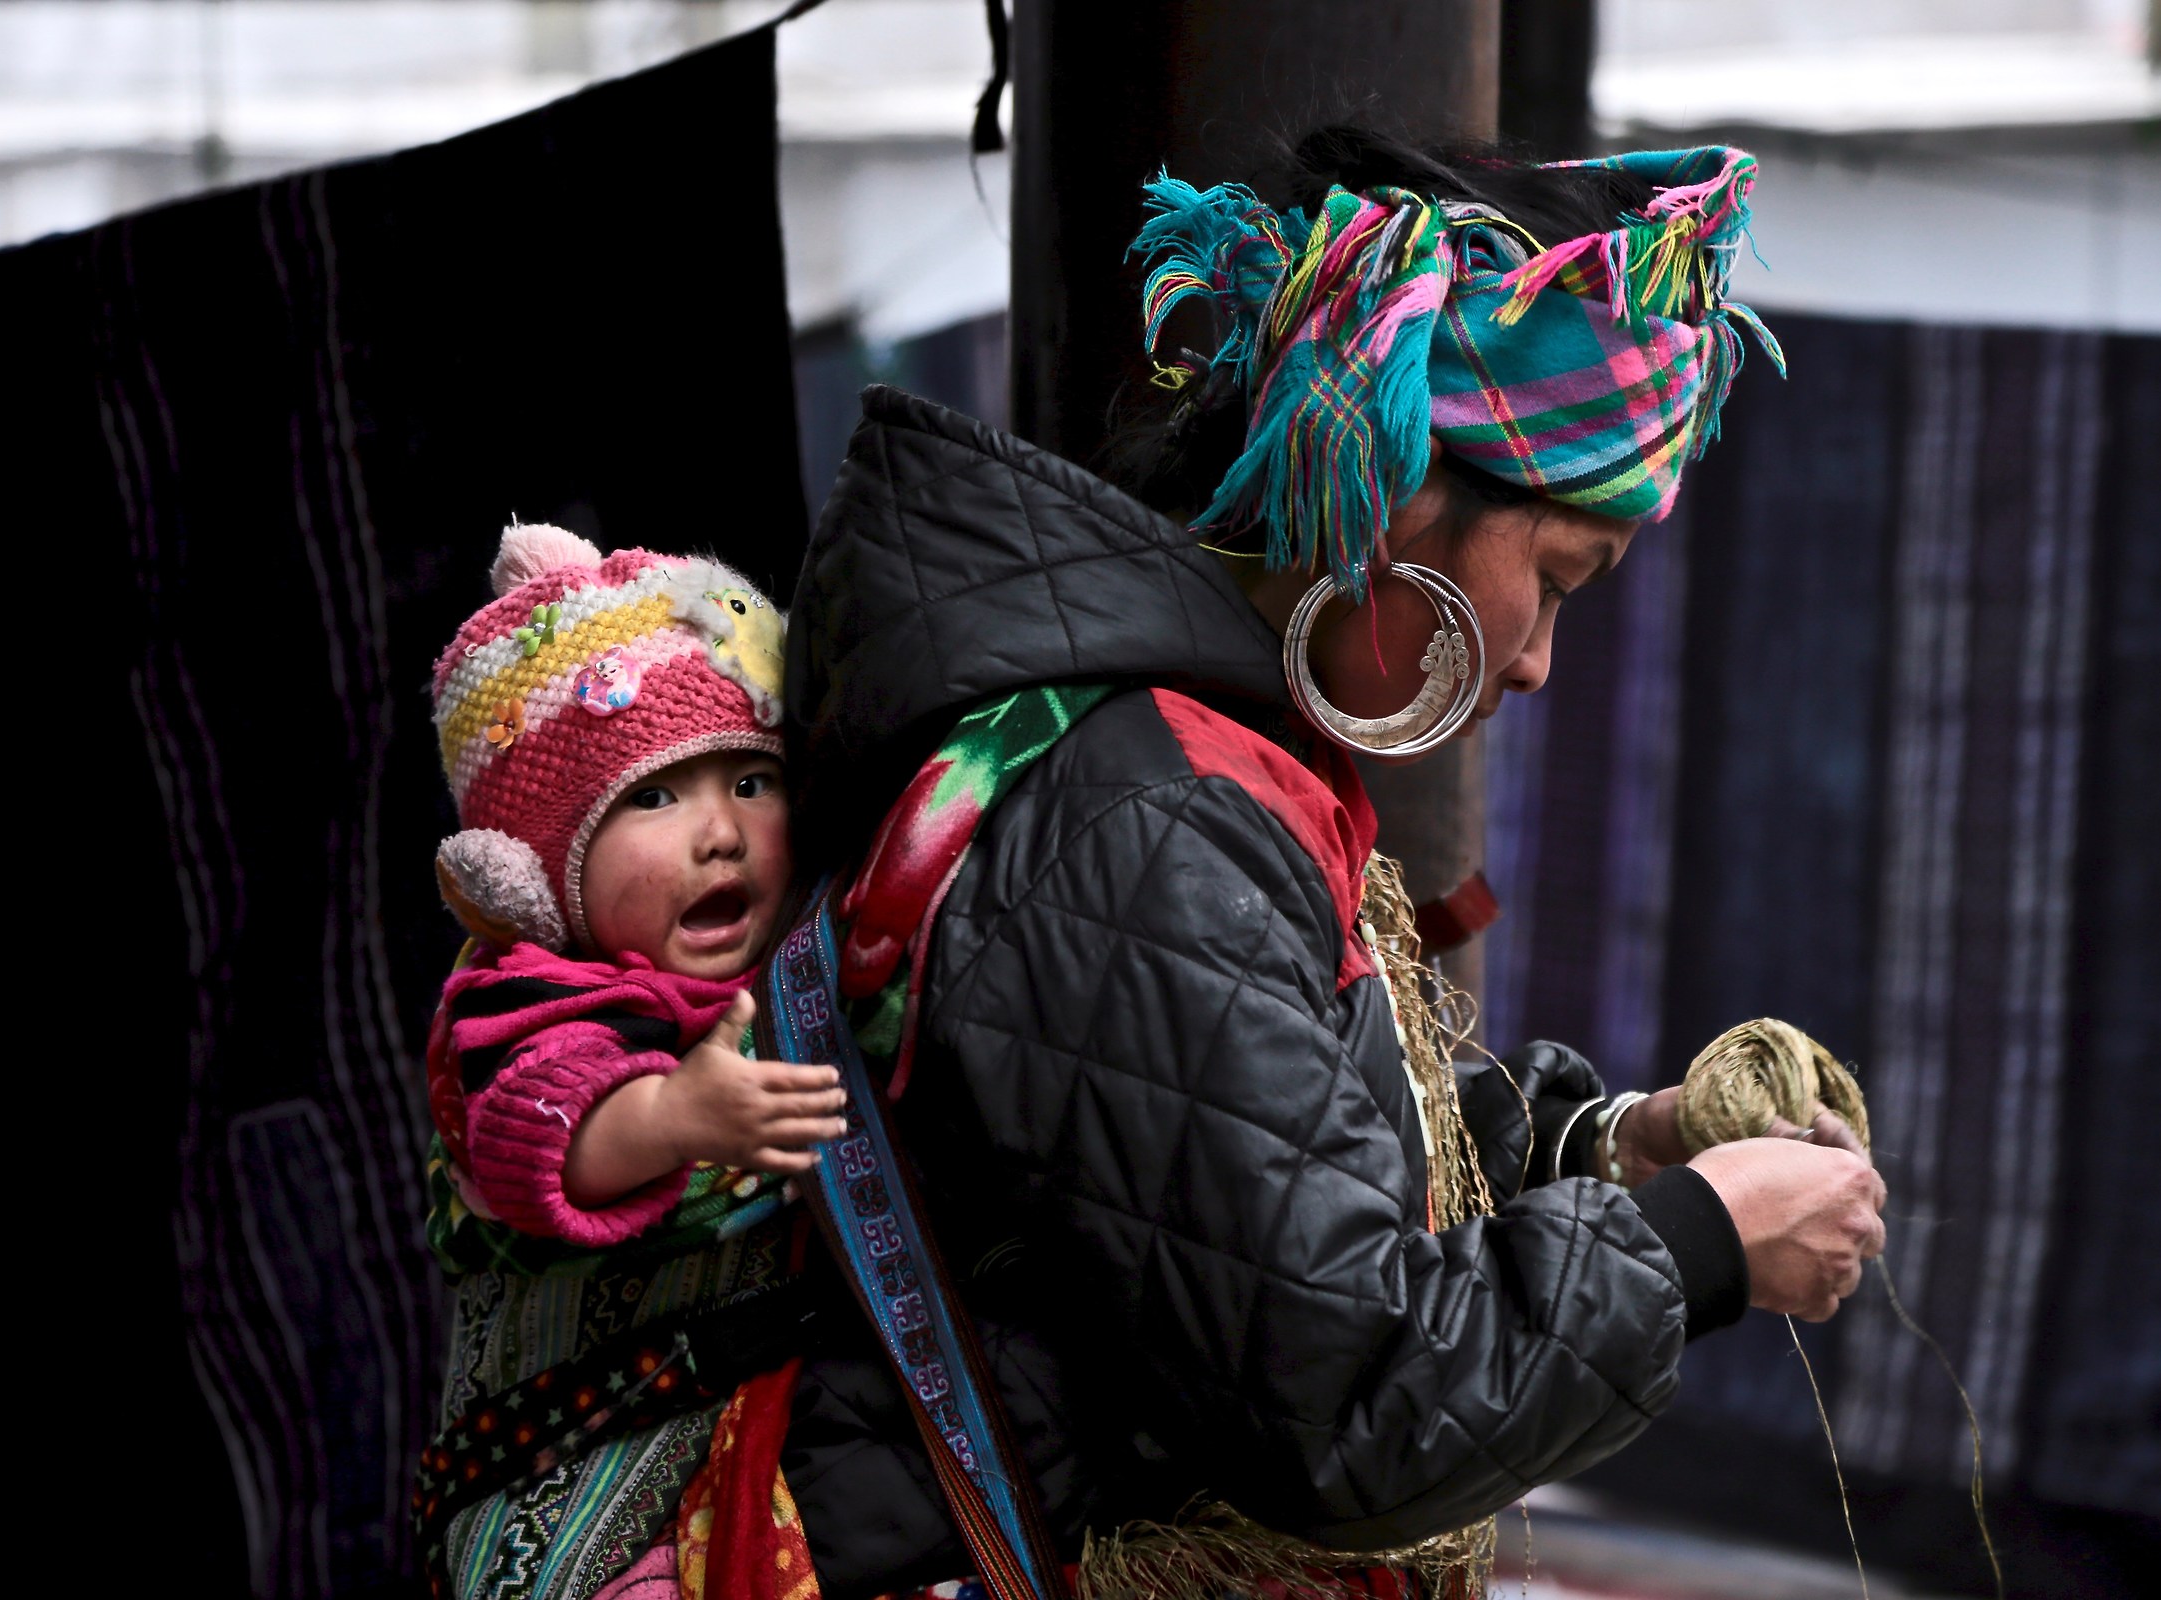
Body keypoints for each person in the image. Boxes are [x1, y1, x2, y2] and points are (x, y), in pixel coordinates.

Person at [774, 132, 1889, 1592]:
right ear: (1404, 491)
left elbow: (1239, 1183)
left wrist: (1606, 1148)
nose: (1544, 662)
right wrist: (1697, 1245)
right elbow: (1349, 1389)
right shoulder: (1143, 813)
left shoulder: (1177, 760)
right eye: (1554, 580)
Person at [417, 522, 843, 1600]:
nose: (722, 833)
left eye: (752, 779)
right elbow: (529, 1131)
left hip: (749, 1457)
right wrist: (671, 1118)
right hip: (571, 1463)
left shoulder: (813, 959)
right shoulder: (525, 992)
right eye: (654, 797)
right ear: (538, 876)